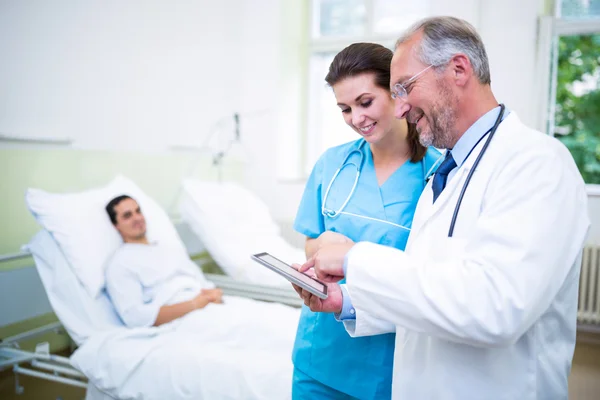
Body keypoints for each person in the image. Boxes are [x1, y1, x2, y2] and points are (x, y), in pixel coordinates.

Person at [296, 16, 590, 399]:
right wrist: (349, 301)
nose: (399, 108)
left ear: (457, 69)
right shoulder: (448, 174)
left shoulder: (537, 163)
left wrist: (355, 259)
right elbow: (430, 290)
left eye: (404, 87)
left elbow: (496, 307)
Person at [291, 43, 441, 399]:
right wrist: (326, 248)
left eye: (364, 102)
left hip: (385, 364)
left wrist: (347, 252)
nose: (356, 118)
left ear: (396, 92)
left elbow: (431, 273)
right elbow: (312, 241)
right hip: (318, 355)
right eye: (345, 108)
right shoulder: (332, 163)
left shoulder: (436, 174)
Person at [104, 195, 298, 350]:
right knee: (259, 331)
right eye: (127, 215)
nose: (137, 217)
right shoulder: (121, 264)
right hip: (184, 317)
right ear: (115, 226)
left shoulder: (166, 248)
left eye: (138, 211)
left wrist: (213, 293)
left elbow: (198, 278)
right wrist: (195, 304)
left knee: (275, 318)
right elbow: (136, 317)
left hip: (210, 304)